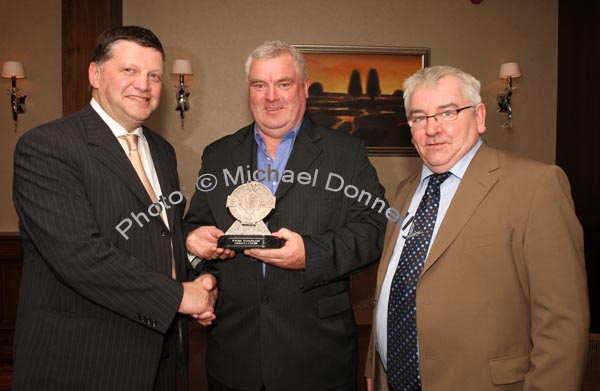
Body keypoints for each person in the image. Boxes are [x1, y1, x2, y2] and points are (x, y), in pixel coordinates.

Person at [12, 25, 217, 391]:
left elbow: (150, 236)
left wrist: (188, 249)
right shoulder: (47, 147)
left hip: (160, 358)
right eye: (129, 70)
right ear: (94, 74)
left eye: (154, 75)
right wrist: (179, 297)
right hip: (83, 362)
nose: (144, 84)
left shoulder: (162, 151)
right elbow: (79, 255)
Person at [365, 65, 589, 391]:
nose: (432, 129)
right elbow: (395, 285)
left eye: (447, 113)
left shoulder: (536, 186)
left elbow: (563, 323)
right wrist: (375, 363)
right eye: (419, 117)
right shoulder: (403, 191)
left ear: (480, 116)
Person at [184, 40, 387, 391]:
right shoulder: (217, 155)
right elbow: (195, 225)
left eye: (283, 84)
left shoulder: (346, 154)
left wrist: (311, 253)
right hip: (234, 355)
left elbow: (375, 228)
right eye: (259, 85)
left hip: (317, 358)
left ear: (305, 88)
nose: (270, 97)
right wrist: (195, 250)